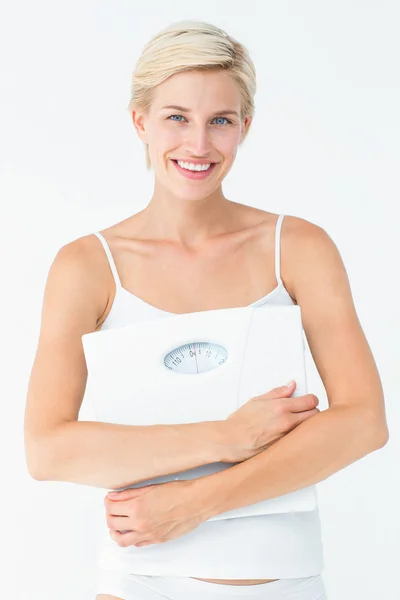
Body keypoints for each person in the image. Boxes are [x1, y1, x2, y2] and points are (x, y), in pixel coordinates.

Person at [24, 19, 388, 600]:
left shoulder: (297, 249)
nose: (198, 145)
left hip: (286, 582)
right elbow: (48, 449)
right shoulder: (87, 267)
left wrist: (195, 502)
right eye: (176, 117)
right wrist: (226, 436)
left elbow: (364, 423)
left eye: (220, 120)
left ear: (245, 126)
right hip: (139, 582)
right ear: (139, 121)